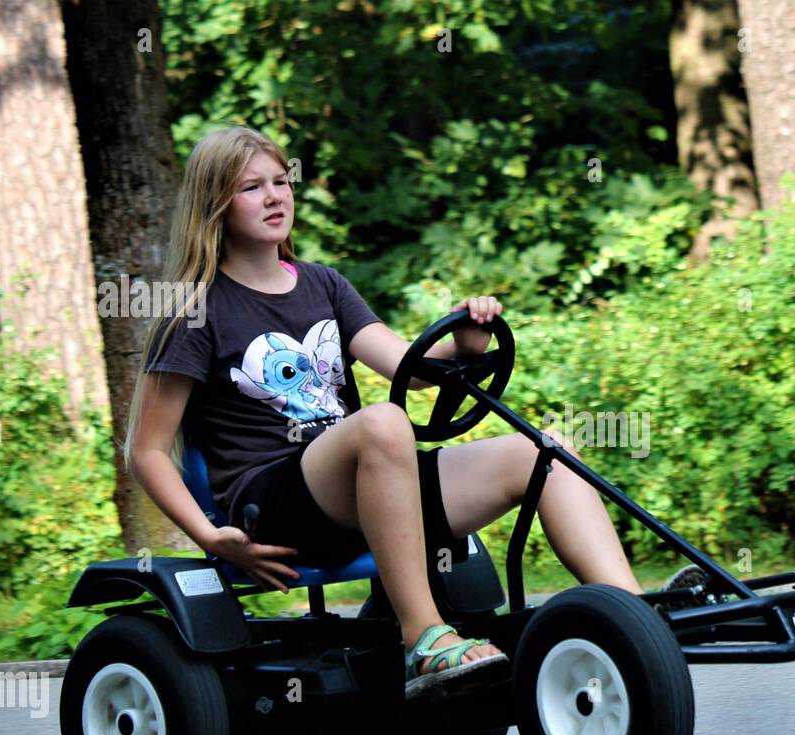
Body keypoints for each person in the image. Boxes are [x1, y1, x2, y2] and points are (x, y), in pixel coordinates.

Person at [124, 125, 644, 697]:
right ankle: (423, 637)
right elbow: (146, 451)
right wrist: (210, 536)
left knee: (544, 453)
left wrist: (468, 344)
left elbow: (409, 368)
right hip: (271, 502)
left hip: (367, 481)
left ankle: (636, 623)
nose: (275, 197)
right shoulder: (196, 312)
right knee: (381, 423)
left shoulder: (323, 285)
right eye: (252, 188)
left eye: (281, 181)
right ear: (214, 205)